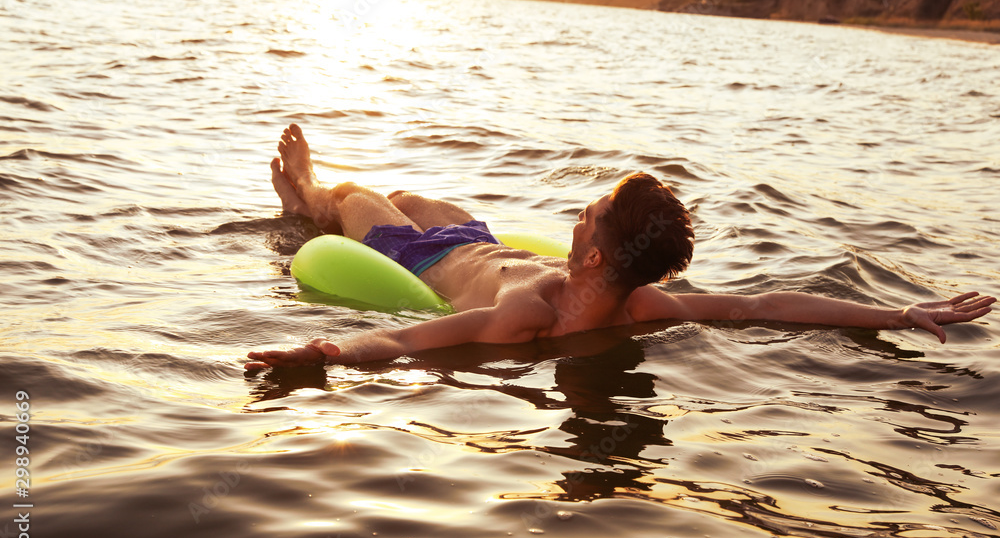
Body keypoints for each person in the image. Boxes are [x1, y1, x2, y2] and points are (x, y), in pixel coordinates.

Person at [245, 124, 995, 371]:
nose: (575, 221)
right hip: (477, 242)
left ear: (598, 256)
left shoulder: (526, 316)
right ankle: (324, 201)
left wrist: (326, 355)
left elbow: (409, 338)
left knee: (357, 200)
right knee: (423, 197)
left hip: (425, 263)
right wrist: (897, 312)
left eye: (585, 216)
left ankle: (304, 197)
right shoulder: (641, 303)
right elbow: (762, 306)